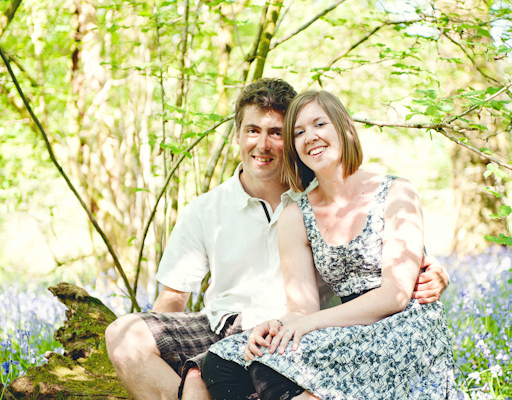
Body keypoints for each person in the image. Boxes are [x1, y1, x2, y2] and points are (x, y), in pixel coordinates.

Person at [105, 79, 450, 400]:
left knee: (211, 374)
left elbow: (381, 259)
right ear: (237, 136)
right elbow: (172, 300)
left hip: (304, 326)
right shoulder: (207, 209)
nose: (263, 144)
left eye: (276, 132)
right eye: (253, 131)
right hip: (226, 324)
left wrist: (434, 271)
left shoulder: (314, 195)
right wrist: (177, 361)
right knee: (126, 336)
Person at [201, 90, 458, 400]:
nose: (310, 137)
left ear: (343, 128)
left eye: (319, 124)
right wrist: (275, 326)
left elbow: (395, 296)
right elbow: (301, 308)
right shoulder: (296, 214)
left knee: (269, 367)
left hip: (404, 327)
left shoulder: (397, 192)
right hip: (346, 327)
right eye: (298, 132)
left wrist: (309, 325)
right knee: (224, 361)